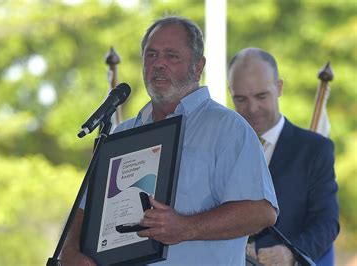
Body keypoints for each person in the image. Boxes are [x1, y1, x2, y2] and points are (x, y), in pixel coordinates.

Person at [61, 17, 279, 265]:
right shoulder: (122, 133)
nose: (159, 64)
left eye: (171, 55)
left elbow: (261, 211)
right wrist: (69, 250)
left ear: (198, 66)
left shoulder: (228, 129)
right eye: (151, 55)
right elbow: (84, 211)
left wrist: (186, 227)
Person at [228, 47, 339, 266]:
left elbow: (327, 222)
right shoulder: (219, 149)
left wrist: (291, 253)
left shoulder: (315, 149)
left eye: (261, 96)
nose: (252, 108)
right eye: (240, 99)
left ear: (279, 87)